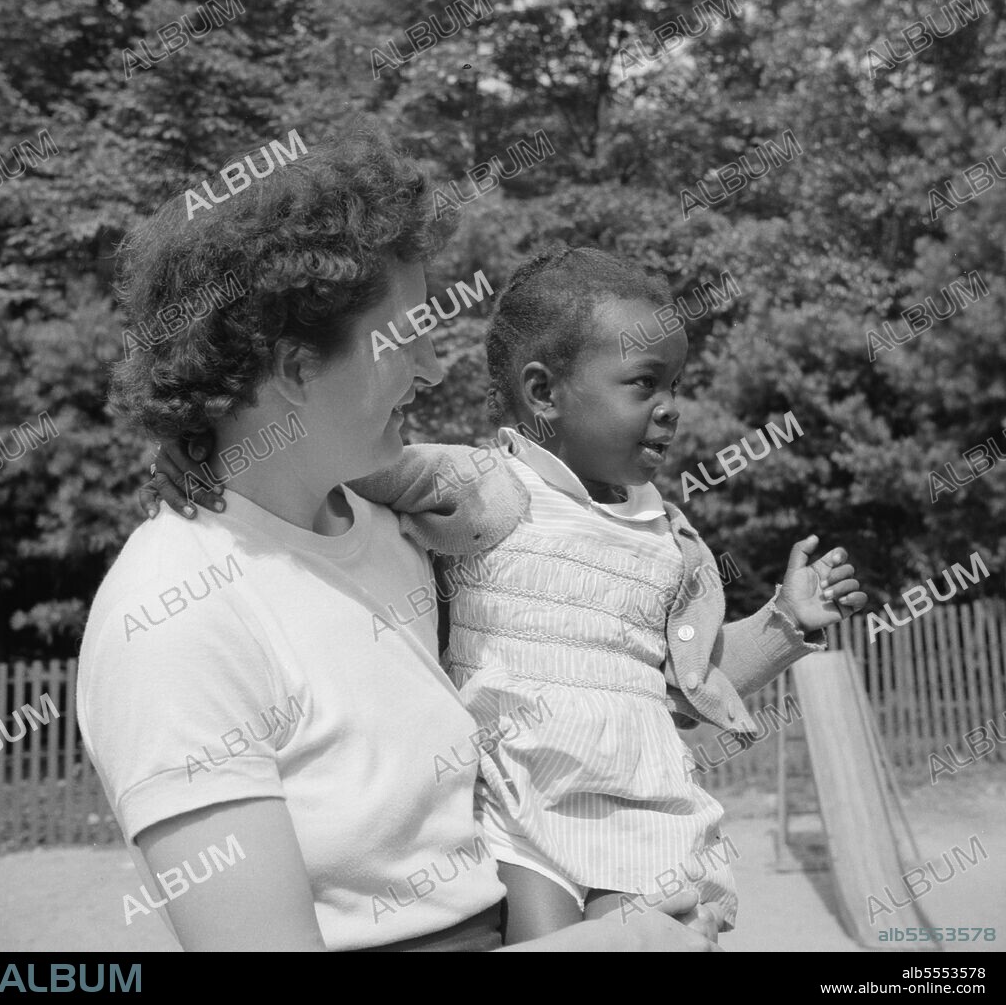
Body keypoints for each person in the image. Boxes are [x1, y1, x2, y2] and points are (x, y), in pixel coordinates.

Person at [79, 121, 720, 952]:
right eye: (405, 336)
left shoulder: (400, 531)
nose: (434, 367)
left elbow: (585, 676)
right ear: (295, 366)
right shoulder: (170, 621)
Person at [147, 238, 868, 945]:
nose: (672, 406)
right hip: (521, 802)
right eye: (646, 383)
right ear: (544, 392)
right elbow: (353, 464)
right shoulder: (491, 485)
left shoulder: (668, 539)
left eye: (676, 385)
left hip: (645, 803)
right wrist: (218, 442)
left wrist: (783, 623)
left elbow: (691, 685)